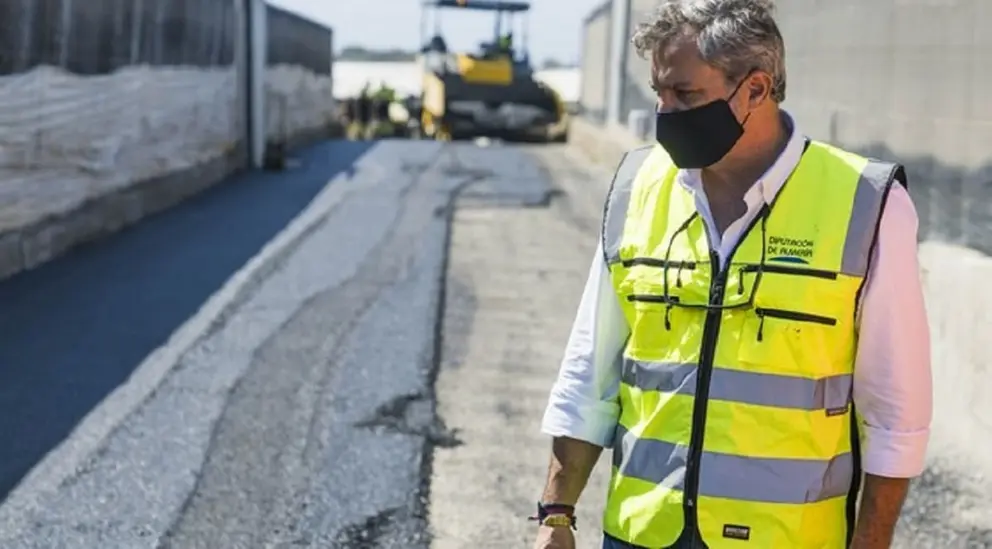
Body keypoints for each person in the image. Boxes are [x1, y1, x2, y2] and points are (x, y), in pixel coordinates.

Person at [532, 1, 932, 548]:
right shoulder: (637, 186)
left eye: (685, 94)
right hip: (640, 535)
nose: (664, 111)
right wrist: (557, 515)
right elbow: (589, 373)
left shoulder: (867, 203)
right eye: (659, 92)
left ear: (756, 89)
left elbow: (895, 415)